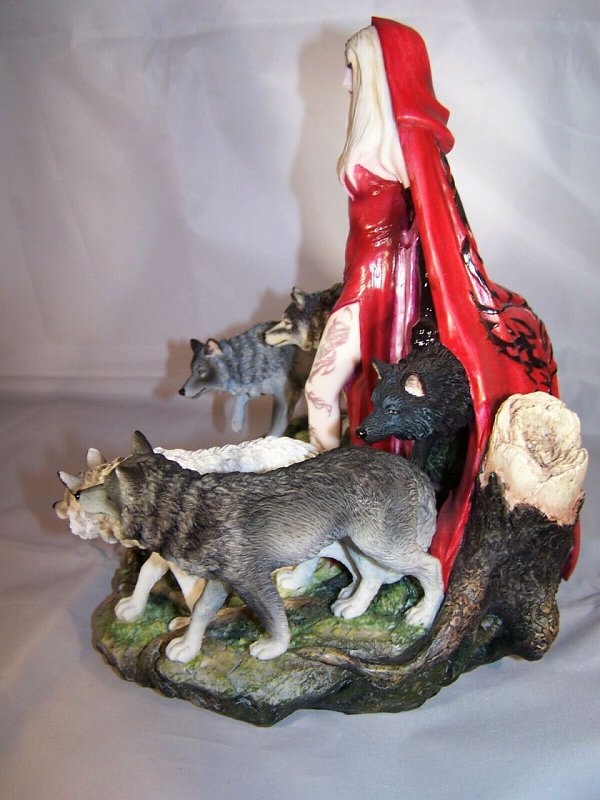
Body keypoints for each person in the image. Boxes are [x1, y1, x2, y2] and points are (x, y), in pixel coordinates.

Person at [306, 18, 574, 584]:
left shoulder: (406, 143)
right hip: (363, 280)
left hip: (380, 286)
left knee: (321, 390)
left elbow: (441, 221)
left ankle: (334, 509)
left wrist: (449, 290)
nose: (346, 82)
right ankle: (334, 512)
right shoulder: (373, 137)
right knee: (332, 393)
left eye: (353, 69)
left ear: (382, 71)